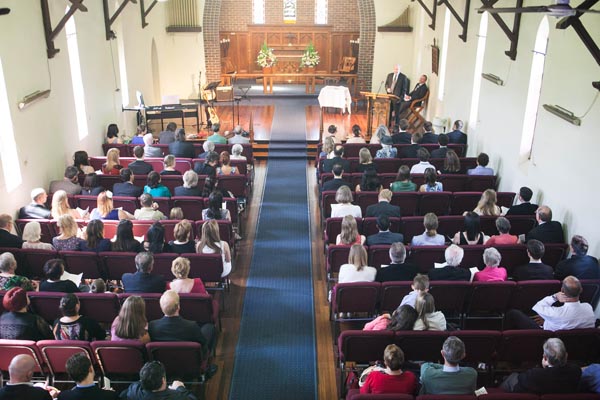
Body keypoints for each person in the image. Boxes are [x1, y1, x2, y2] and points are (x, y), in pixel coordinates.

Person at [504, 276, 595, 331]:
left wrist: (554, 296)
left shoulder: (556, 313)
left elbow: (537, 306)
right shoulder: (588, 308)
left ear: (562, 290)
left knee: (513, 313)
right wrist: (548, 319)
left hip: (548, 337)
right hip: (576, 344)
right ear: (581, 290)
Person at [500, 338, 581, 395]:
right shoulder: (576, 371)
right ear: (566, 356)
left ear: (545, 357)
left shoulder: (534, 374)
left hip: (523, 386)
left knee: (511, 377)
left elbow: (521, 379)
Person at [148, 290, 217, 356]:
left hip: (163, 362)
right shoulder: (191, 326)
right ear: (178, 306)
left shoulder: (152, 326)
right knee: (209, 327)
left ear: (161, 307)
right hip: (190, 361)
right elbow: (203, 345)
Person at [119, 360, 198, 400]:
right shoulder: (178, 396)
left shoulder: (133, 390)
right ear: (163, 380)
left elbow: (122, 396)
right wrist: (180, 388)